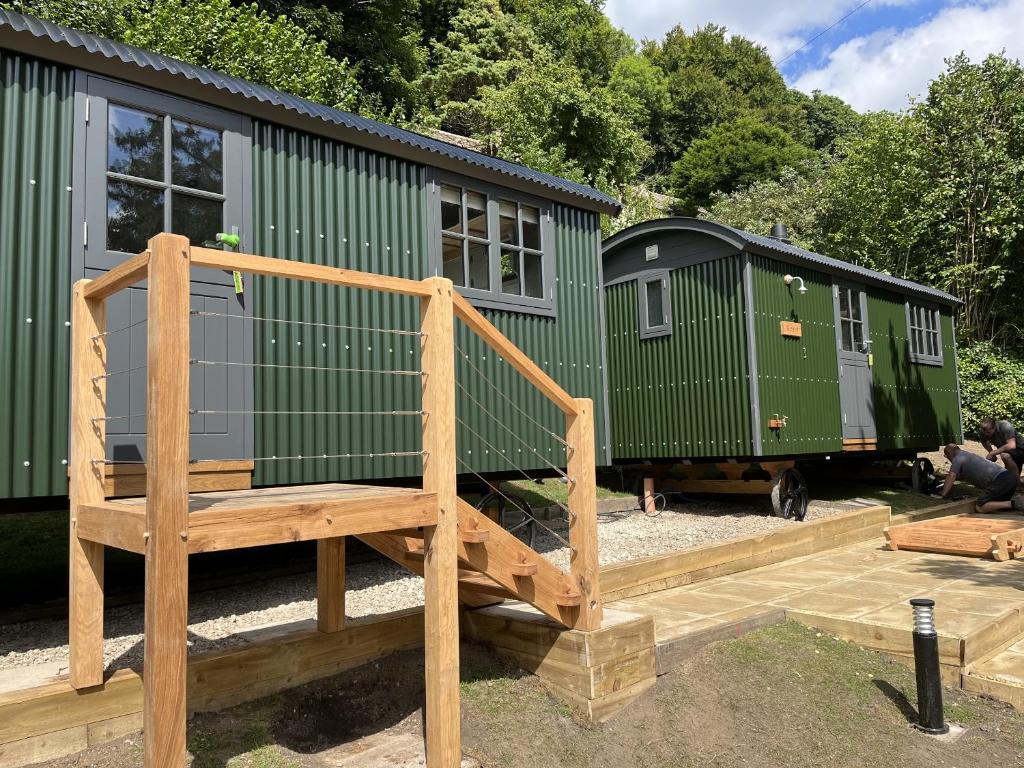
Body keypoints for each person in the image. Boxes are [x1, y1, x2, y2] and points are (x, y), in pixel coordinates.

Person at [940, 444, 1023, 513]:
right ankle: (1017, 501)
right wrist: (943, 477)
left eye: (946, 456)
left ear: (949, 454)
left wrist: (943, 495)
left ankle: (1015, 502)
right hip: (1008, 477)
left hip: (1000, 480)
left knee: (980, 506)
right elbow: (958, 476)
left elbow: (952, 476)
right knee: (999, 506)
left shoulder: (958, 459)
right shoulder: (967, 455)